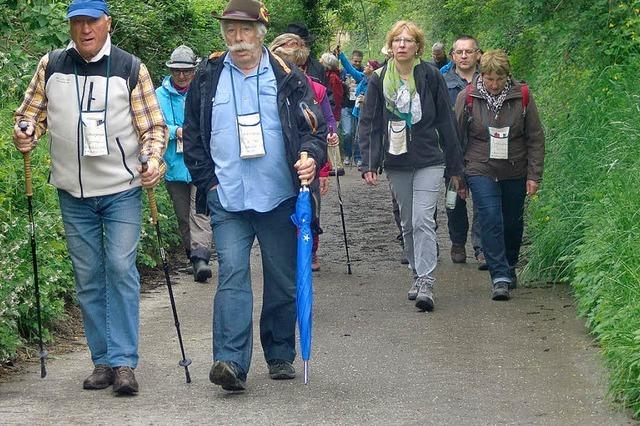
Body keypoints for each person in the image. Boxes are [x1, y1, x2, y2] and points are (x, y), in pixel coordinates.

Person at [13, 0, 167, 395]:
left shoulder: (131, 68)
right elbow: (30, 114)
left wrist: (152, 159)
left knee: (119, 267)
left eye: (92, 21)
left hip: (121, 189)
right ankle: (102, 361)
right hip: (72, 191)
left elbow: (152, 126)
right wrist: (25, 131)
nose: (84, 29)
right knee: (87, 278)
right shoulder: (52, 65)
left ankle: (123, 362)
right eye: (77, 22)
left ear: (107, 23)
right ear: (69, 25)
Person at [182, 0, 326, 392]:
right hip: (227, 197)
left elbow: (314, 129)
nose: (238, 39)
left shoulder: (287, 76)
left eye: (245, 31)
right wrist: (207, 182)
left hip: (279, 196)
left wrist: (310, 158)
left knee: (281, 279)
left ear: (261, 34)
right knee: (232, 276)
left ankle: (279, 353)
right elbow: (192, 134)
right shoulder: (208, 75)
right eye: (231, 30)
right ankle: (230, 361)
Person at [359, 20, 465, 312]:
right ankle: (416, 274)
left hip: (430, 158)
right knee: (407, 222)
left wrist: (455, 168)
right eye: (397, 41)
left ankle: (427, 282)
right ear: (390, 46)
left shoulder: (430, 75)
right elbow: (369, 122)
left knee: (422, 220)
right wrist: (369, 162)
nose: (402, 45)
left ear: (418, 46)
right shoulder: (379, 79)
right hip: (396, 161)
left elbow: (446, 120)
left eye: (408, 41)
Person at [454, 49, 545, 301]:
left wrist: (533, 175)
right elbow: (456, 138)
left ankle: (510, 264)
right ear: (481, 75)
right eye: (489, 78)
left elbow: (535, 138)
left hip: (515, 168)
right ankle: (500, 276)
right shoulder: (468, 97)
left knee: (512, 222)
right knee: (490, 218)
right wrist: (458, 177)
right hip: (479, 167)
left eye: (499, 79)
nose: (494, 85)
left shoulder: (522, 96)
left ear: (508, 76)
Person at [269, 33, 338, 273]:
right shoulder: (267, 86)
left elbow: (325, 125)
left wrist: (324, 169)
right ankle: (287, 254)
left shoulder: (316, 88)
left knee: (311, 206)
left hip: (309, 158)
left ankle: (310, 250)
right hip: (278, 160)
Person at [156, 45, 214, 283]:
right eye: (177, 71)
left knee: (199, 211)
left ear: (193, 70)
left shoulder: (203, 89)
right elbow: (155, 125)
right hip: (175, 165)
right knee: (183, 216)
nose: (182, 76)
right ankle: (193, 256)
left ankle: (201, 258)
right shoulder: (159, 94)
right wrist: (176, 131)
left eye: (187, 71)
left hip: (200, 163)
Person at [441, 35, 485, 267]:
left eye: (469, 51)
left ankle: (480, 246)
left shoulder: (487, 81)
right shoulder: (441, 81)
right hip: (452, 151)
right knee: (453, 201)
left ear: (478, 54)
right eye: (459, 52)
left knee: (482, 200)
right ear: (453, 56)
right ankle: (457, 242)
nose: (464, 56)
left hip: (481, 152)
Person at [336, 48, 380, 169]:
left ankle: (361, 158)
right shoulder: (362, 77)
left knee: (361, 135)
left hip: (365, 111)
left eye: (366, 65)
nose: (362, 65)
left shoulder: (375, 81)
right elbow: (349, 69)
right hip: (353, 109)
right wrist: (341, 55)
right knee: (351, 133)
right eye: (355, 61)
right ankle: (350, 156)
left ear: (373, 69)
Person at [340, 50, 363, 166]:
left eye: (359, 61)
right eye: (355, 61)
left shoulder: (364, 71)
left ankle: (358, 157)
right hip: (346, 105)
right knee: (347, 132)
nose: (357, 63)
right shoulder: (344, 71)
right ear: (351, 59)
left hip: (359, 106)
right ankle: (347, 154)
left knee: (359, 133)